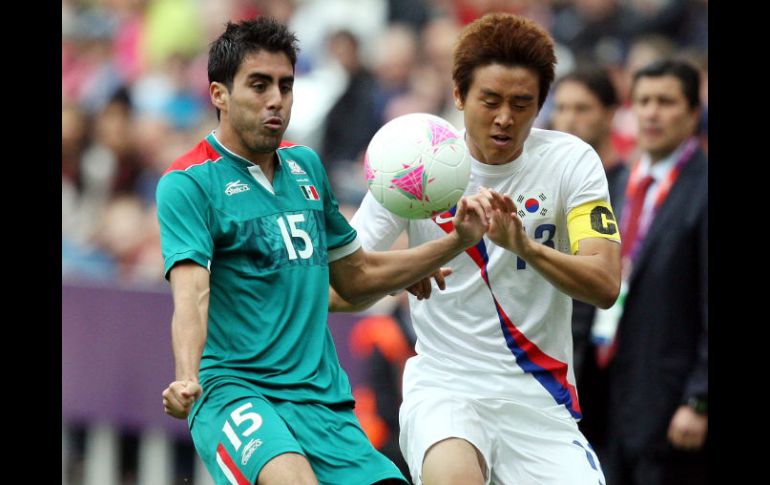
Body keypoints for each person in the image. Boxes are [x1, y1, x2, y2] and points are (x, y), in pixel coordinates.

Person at [156, 17, 497, 485]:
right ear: (219, 94)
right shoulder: (189, 183)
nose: (276, 99)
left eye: (285, 85)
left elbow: (353, 279)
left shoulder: (307, 168)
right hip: (235, 393)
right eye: (259, 85)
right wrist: (186, 376)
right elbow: (192, 292)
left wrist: (453, 244)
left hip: (320, 401)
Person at [331, 13, 621, 485]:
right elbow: (338, 288)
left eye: (522, 103)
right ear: (460, 95)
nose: (505, 117)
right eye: (490, 100)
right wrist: (413, 266)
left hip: (539, 400)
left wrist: (524, 245)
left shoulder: (572, 163)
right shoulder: (415, 161)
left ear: (541, 104)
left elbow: (605, 284)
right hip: (448, 388)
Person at [603, 59, 708, 485]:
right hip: (610, 394)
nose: (651, 112)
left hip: (672, 404)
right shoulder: (617, 183)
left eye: (665, 102)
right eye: (643, 101)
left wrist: (700, 399)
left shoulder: (702, 188)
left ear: (692, 112)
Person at [550, 65, 630, 459]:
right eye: (562, 107)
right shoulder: (544, 182)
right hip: (553, 341)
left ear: (611, 112)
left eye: (582, 108)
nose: (569, 119)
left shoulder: (630, 184)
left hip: (611, 352)